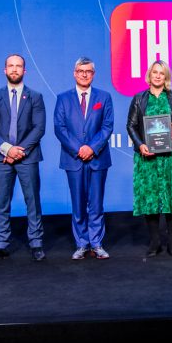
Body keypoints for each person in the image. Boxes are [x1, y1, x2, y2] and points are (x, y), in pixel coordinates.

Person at [0, 54, 47, 262]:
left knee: (33, 201)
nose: (14, 69)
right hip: (1, 157)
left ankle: (36, 242)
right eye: (10, 66)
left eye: (18, 66)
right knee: (1, 201)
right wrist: (7, 149)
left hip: (27, 157)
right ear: (5, 70)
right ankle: (1, 243)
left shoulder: (35, 96)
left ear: (24, 70)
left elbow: (39, 128)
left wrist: (19, 151)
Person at [127, 60, 172, 258]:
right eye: (154, 72)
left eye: (161, 73)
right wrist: (140, 144)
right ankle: (155, 241)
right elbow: (130, 125)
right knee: (151, 197)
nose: (157, 76)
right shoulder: (139, 99)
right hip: (148, 157)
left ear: (166, 77)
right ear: (149, 75)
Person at [54, 57, 115, 260]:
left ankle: (96, 243)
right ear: (74, 73)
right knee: (78, 204)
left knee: (96, 204)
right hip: (73, 159)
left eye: (88, 71)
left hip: (98, 159)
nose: (84, 74)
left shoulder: (104, 97)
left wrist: (91, 148)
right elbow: (60, 128)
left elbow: (107, 126)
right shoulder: (63, 98)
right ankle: (82, 244)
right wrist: (79, 149)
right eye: (81, 71)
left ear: (93, 74)